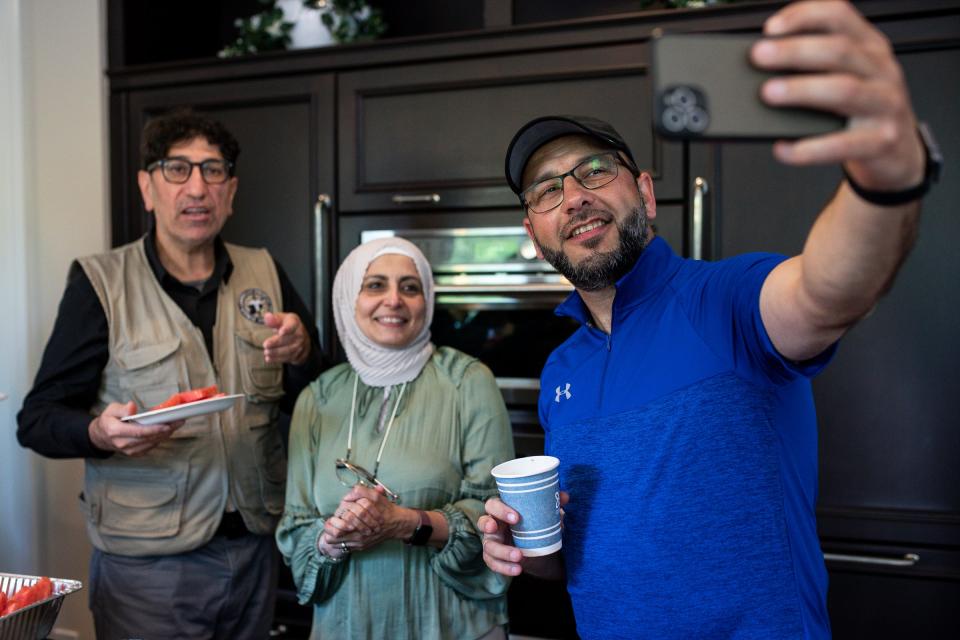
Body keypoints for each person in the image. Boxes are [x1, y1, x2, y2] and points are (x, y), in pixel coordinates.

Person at [479, 2, 940, 639]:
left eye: (594, 170)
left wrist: (885, 177)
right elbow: (581, 560)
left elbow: (829, 290)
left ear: (642, 192)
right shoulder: (563, 368)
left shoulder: (724, 300)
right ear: (534, 233)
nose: (574, 196)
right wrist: (524, 548)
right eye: (546, 191)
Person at [17, 109, 324, 639]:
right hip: (148, 569)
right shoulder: (100, 283)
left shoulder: (265, 271)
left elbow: (318, 398)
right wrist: (99, 433)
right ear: (147, 186)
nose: (198, 187)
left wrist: (302, 354)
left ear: (231, 189)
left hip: (255, 549)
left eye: (213, 170)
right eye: (178, 169)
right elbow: (37, 420)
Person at [276, 237, 515, 639]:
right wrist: (331, 539)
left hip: (449, 625)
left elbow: (499, 518)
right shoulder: (317, 398)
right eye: (374, 285)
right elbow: (295, 531)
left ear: (427, 301)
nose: (393, 300)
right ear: (348, 297)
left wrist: (406, 523)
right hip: (345, 625)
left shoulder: (468, 382)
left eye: (410, 287)